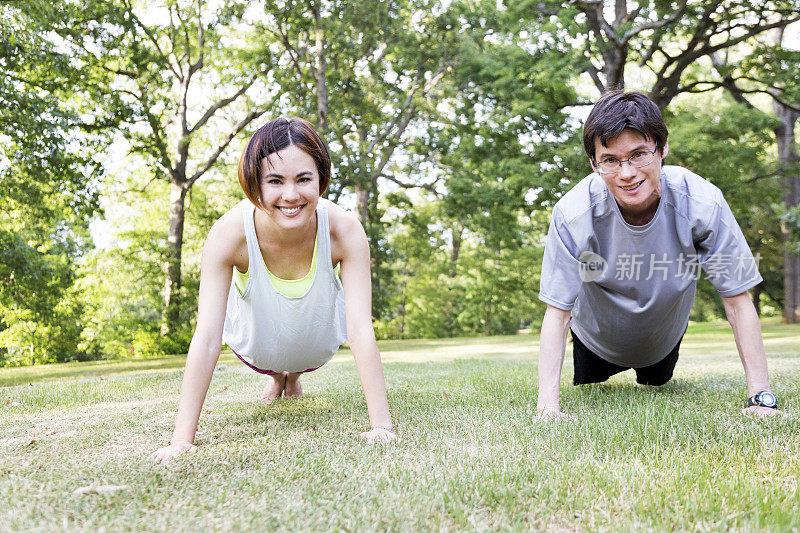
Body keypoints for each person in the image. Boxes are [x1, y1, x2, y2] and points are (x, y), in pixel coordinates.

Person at [151, 118, 395, 463]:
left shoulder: (344, 231)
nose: (291, 195)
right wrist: (181, 440)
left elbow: (360, 329)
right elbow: (207, 336)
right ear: (254, 184)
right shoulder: (229, 234)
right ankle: (278, 378)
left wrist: (381, 426)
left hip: (316, 341)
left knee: (304, 319)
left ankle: (291, 376)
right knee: (268, 331)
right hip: (258, 343)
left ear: (321, 179)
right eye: (275, 181)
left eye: (304, 179)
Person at [536, 90, 781, 419]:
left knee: (656, 380)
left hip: (661, 342)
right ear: (594, 163)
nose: (626, 172)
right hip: (594, 340)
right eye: (611, 160)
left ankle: (653, 365)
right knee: (593, 380)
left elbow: (738, 300)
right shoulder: (572, 213)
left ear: (662, 148)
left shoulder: (702, 202)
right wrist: (547, 409)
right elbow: (557, 311)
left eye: (638, 154)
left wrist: (760, 397)